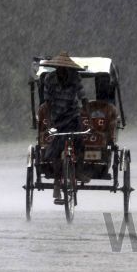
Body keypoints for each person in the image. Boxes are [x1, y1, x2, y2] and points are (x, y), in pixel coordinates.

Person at [42, 51, 90, 200]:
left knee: (80, 143)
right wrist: (49, 123)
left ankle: (79, 170)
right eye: (60, 68)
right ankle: (57, 183)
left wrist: (88, 117)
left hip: (72, 115)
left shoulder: (75, 77)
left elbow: (83, 98)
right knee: (56, 151)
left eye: (65, 68)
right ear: (57, 68)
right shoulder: (50, 80)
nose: (62, 71)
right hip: (57, 118)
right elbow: (48, 103)